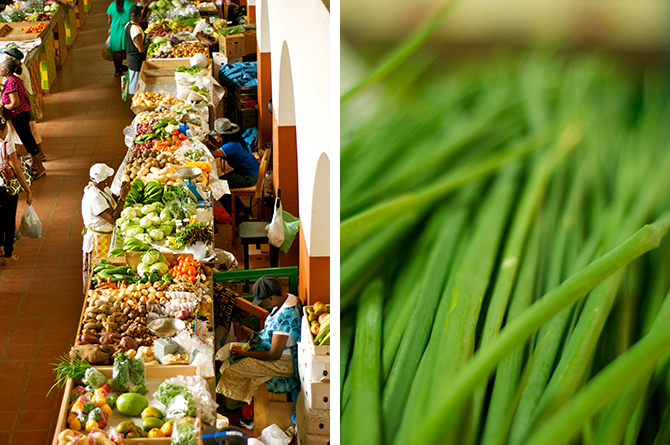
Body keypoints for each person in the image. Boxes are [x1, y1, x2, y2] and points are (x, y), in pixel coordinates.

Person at [216, 275, 302, 405]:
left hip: (282, 362)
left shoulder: (285, 317)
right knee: (230, 359)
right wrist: (257, 334)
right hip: (272, 351)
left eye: (262, 301)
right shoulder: (289, 298)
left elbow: (273, 355)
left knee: (231, 370)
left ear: (271, 298)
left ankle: (232, 404)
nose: (262, 304)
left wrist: (246, 354)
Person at [81, 164, 130, 290]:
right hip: (99, 239)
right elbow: (113, 219)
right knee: (101, 270)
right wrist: (122, 198)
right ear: (104, 179)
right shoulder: (94, 197)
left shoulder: (102, 188)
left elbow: (114, 198)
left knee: (108, 265)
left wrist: (121, 195)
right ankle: (93, 291)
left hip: (106, 234)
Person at [0, 58, 46, 180]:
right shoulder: (13, 79)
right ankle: (36, 164)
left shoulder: (11, 83)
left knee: (29, 142)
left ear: (7, 71)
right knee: (29, 140)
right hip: (22, 114)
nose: (0, 70)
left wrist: (5, 106)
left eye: (1, 68)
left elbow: (14, 103)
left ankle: (41, 168)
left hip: (18, 115)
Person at [206, 118, 258, 218]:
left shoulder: (231, 146)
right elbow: (221, 152)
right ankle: (241, 207)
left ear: (223, 135)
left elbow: (213, 155)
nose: (217, 137)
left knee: (217, 187)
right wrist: (210, 145)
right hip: (250, 172)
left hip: (248, 176)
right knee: (220, 182)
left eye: (218, 136)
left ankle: (237, 215)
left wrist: (205, 147)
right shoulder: (237, 141)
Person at [0, 115, 33, 266]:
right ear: (1, 132)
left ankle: (0, 248)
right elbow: (17, 169)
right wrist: (27, 190)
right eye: (6, 128)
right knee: (8, 220)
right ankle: (8, 255)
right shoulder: (6, 145)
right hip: (4, 186)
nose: (7, 131)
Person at [125, 5, 148, 96]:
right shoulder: (136, 30)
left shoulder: (128, 25)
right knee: (134, 84)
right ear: (139, 16)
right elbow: (141, 49)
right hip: (136, 60)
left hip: (131, 57)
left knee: (133, 81)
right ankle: (134, 102)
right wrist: (148, 43)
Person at [107, 0, 134, 76]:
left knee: (117, 52)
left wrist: (110, 28)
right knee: (128, 50)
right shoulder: (130, 5)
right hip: (127, 30)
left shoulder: (112, 5)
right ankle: (131, 69)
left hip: (115, 30)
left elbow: (109, 18)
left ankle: (118, 70)